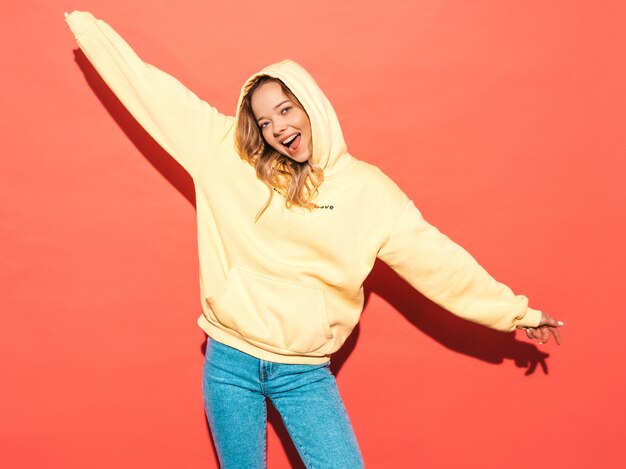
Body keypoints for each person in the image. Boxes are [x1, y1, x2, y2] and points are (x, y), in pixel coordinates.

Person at [64, 10, 563, 469]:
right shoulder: (223, 155)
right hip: (228, 361)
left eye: (285, 110)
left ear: (311, 106)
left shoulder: (368, 191)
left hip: (303, 373)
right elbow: (152, 91)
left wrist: (516, 312)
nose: (278, 128)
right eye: (264, 121)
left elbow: (438, 262)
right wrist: (89, 29)